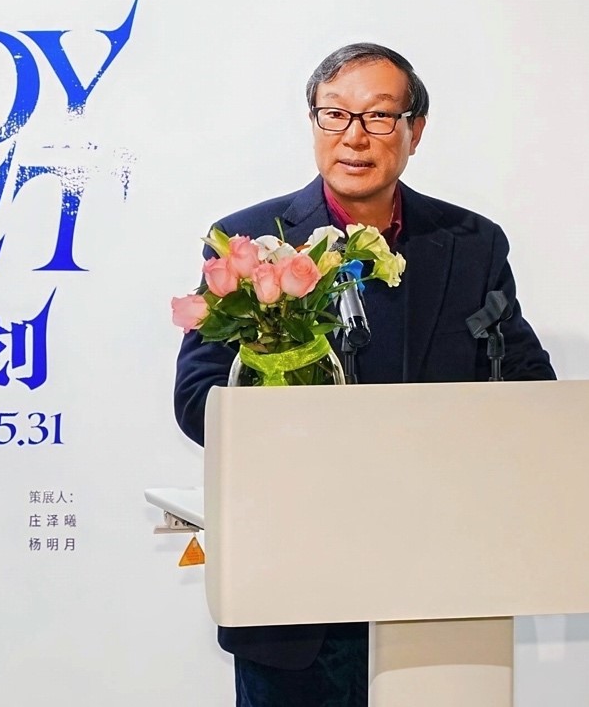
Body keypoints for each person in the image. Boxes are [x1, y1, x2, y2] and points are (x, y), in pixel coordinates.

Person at [172, 43, 556, 707]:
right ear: (313, 122)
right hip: (294, 589)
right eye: (335, 115)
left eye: (379, 116)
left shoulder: (471, 244)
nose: (354, 136)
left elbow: (526, 387)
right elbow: (196, 399)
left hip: (435, 579)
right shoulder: (248, 241)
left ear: (415, 130)